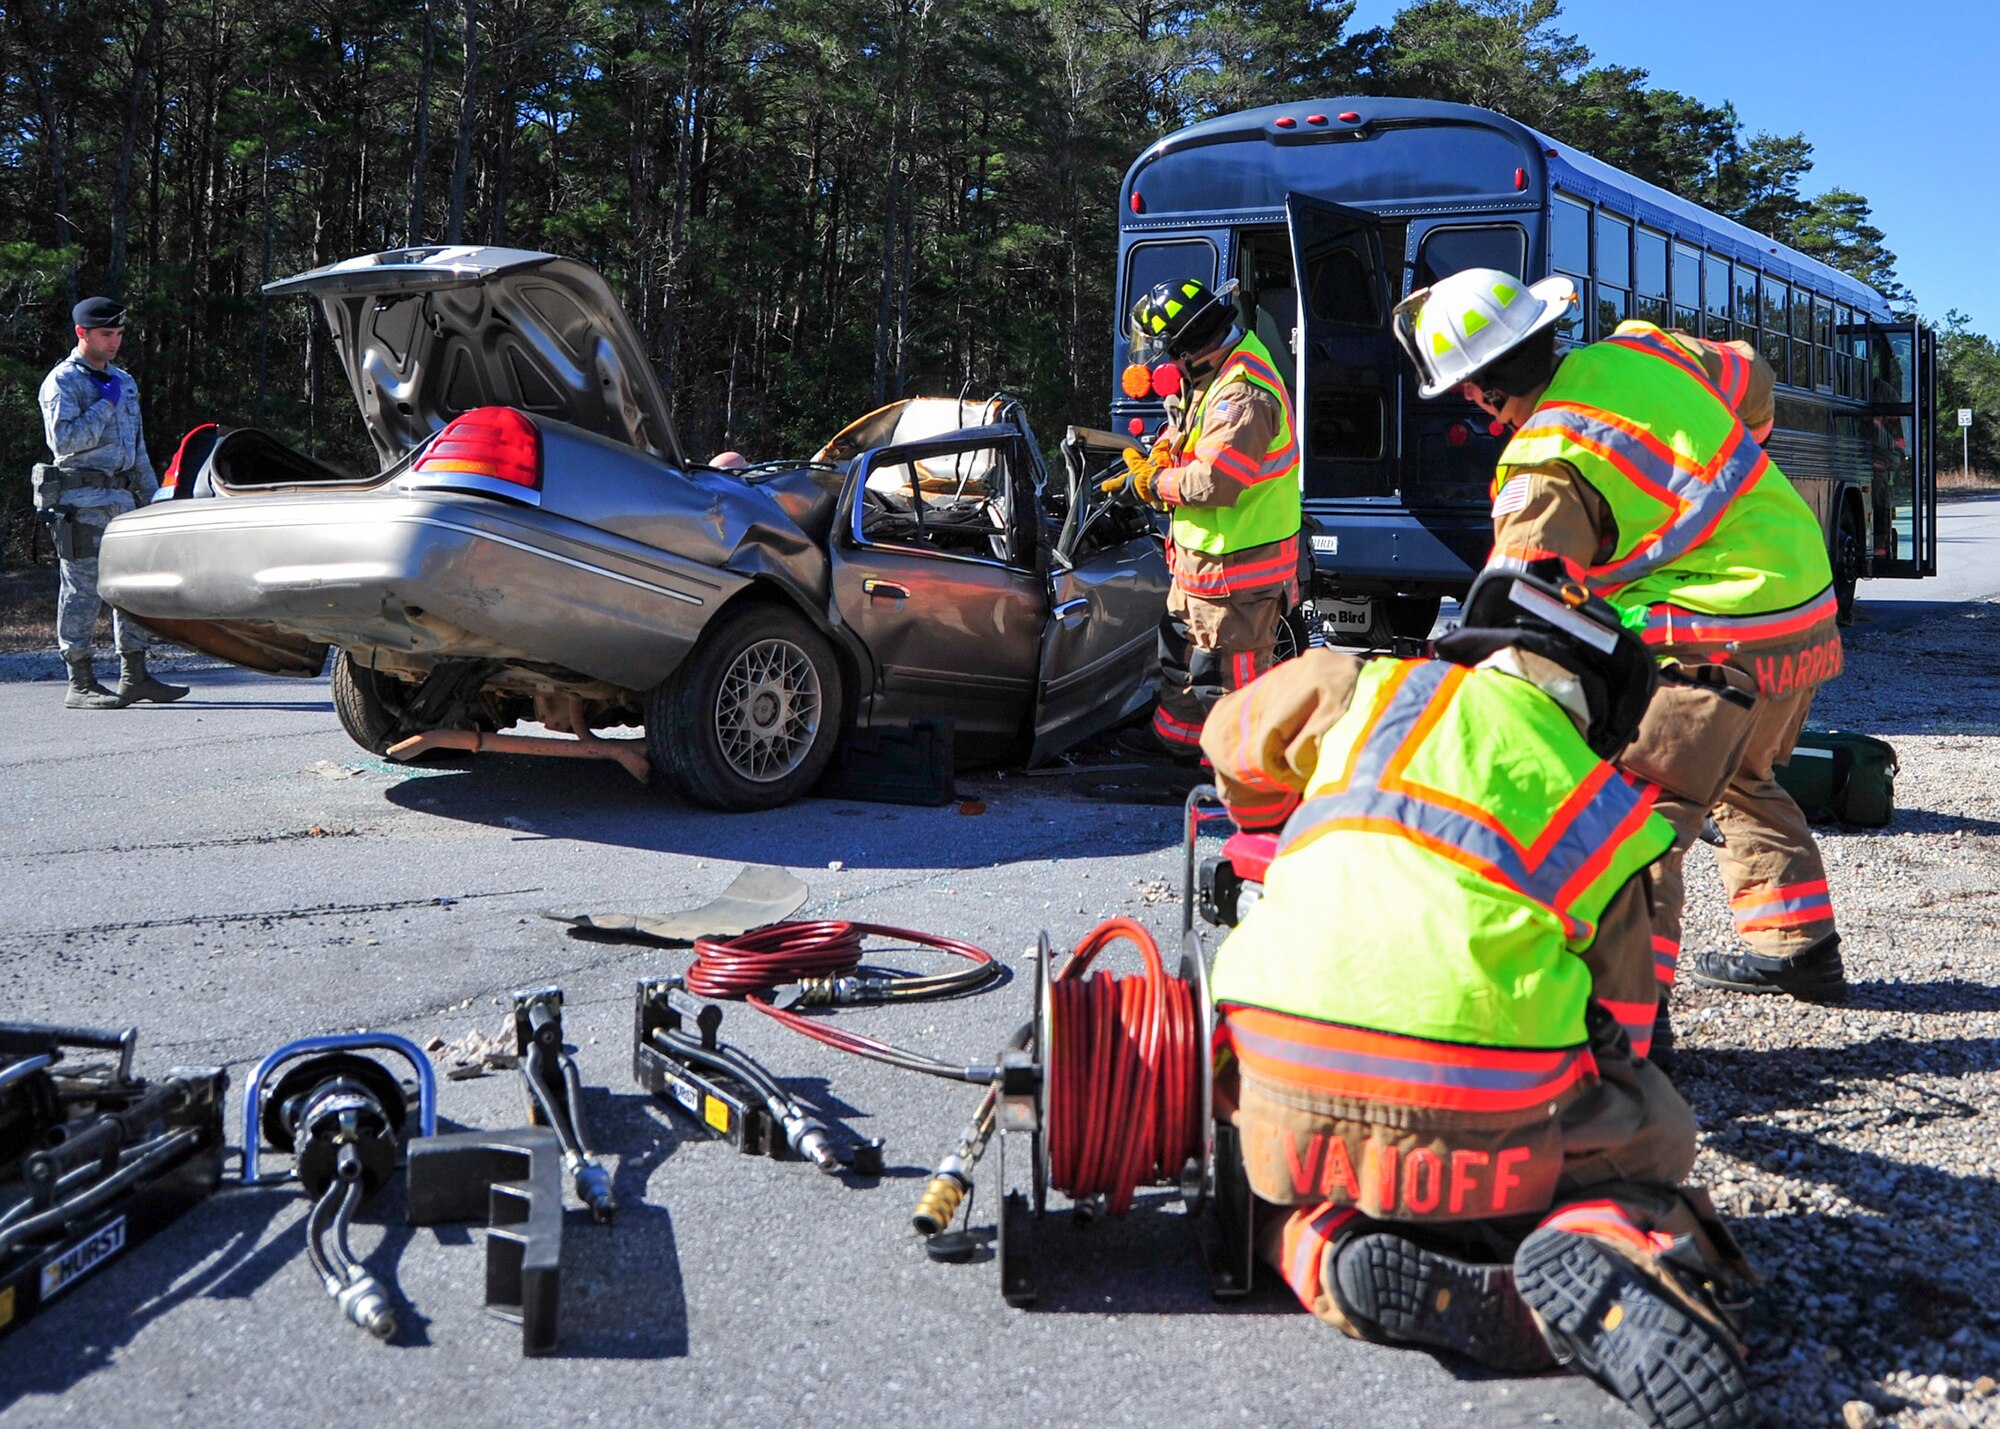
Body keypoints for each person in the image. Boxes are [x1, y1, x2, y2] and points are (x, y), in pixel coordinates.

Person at [1201, 566, 1756, 1429]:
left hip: (1278, 1065)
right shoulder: (1607, 807)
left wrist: (1287, 813)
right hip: (1478, 1115)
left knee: (1251, 1181)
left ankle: (1322, 1245)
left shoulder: (1363, 685)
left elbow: (1230, 738)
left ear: (1476, 646)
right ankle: (1594, 1236)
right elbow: (1626, 1031)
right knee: (1654, 1134)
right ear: (1598, 714)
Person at [1390, 268, 1844, 1006]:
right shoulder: (1645, 349)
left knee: (1637, 811)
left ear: (1482, 387)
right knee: (1739, 776)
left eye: (1468, 391)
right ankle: (1799, 948)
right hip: (1805, 606)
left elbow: (1522, 613)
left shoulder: (1542, 464)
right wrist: (1742, 452)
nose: (1473, 406)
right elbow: (1753, 376)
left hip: (1713, 634)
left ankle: (1629, 1013)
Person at [1100, 278, 1301, 760]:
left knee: (1228, 678)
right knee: (1181, 661)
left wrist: (1149, 486)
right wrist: (1165, 449)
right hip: (1202, 566)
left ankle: (1239, 769)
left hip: (1239, 570)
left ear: (1189, 347)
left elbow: (1214, 483)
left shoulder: (1243, 393)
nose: (1170, 365)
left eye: (1171, 354)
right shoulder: (1213, 374)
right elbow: (1189, 431)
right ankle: (1176, 746)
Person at [36, 297, 187, 709]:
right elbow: (64, 442)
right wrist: (105, 404)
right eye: (106, 334)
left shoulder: (123, 379)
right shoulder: (63, 382)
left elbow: (136, 448)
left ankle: (133, 675)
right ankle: (79, 681)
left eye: (119, 334)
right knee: (83, 590)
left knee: (130, 588)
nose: (115, 341)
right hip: (81, 501)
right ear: (81, 333)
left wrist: (154, 498)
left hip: (123, 499)